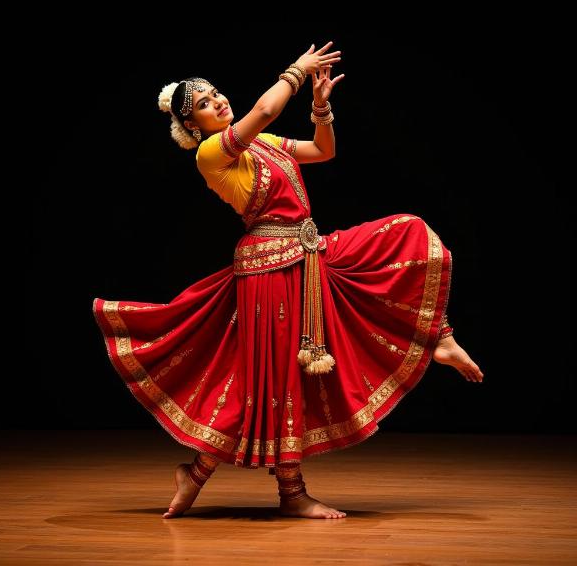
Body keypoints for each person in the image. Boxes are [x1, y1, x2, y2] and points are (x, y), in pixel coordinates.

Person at [92, 41, 484, 520]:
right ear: (193, 126)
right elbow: (263, 108)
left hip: (309, 253)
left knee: (406, 232)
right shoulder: (214, 152)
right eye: (203, 104)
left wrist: (320, 106)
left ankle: (434, 337)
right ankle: (281, 492)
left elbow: (322, 150)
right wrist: (297, 70)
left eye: (215, 93)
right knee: (271, 381)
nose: (217, 101)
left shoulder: (264, 143)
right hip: (268, 270)